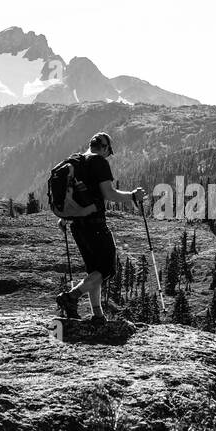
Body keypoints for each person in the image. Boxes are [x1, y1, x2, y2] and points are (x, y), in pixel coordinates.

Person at [56, 132, 145, 323]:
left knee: (94, 272)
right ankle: (71, 297)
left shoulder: (75, 162)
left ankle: (98, 315)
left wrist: (65, 217)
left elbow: (68, 195)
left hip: (77, 226)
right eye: (109, 152)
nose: (107, 156)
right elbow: (109, 193)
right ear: (104, 148)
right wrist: (133, 196)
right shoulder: (99, 162)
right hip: (95, 225)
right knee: (105, 270)